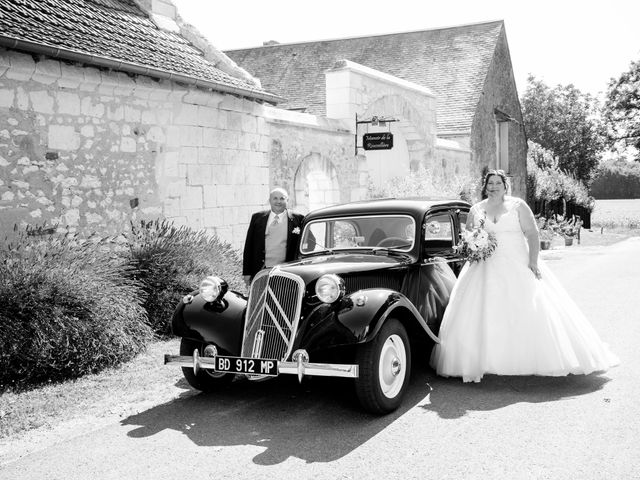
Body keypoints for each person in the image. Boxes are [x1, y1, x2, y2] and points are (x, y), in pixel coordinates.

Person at [430, 170, 619, 383]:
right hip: (484, 266)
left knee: (530, 307)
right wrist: (473, 246)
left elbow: (532, 234)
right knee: (482, 310)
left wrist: (532, 261)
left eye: (497, 183)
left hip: (517, 262)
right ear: (485, 186)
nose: (493, 187)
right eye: (490, 183)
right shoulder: (476, 209)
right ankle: (485, 359)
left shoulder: (518, 206)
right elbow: (469, 236)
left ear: (505, 185)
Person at [242, 187, 304, 287]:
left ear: (287, 200)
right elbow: (249, 246)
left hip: (287, 271)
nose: (278, 201)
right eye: (275, 198)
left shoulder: (298, 219)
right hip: (261, 269)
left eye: (282, 198)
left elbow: (309, 243)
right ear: (270, 200)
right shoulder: (257, 218)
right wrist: (247, 272)